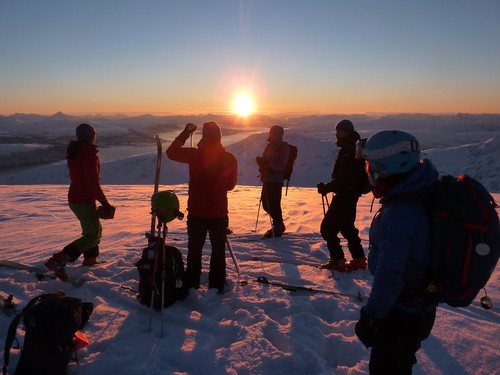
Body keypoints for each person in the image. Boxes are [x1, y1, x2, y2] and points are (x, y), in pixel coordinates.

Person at [354, 130, 438, 374]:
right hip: (421, 307)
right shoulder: (421, 193)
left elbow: (390, 275)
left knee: (387, 367)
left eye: (372, 166)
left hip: (401, 312)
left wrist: (372, 316)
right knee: (401, 362)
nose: (369, 172)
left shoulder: (401, 213)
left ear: (389, 166)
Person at [166, 121, 237, 295]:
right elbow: (230, 185)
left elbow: (170, 153)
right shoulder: (229, 159)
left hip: (197, 213)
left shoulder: (194, 155)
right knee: (218, 250)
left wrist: (185, 133)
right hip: (219, 213)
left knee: (195, 250)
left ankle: (191, 284)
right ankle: (216, 284)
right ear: (219, 137)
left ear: (203, 136)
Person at [45, 123, 114, 280]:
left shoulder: (76, 151)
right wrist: (105, 203)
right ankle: (58, 260)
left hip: (77, 197)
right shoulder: (88, 153)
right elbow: (91, 183)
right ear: (92, 136)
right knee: (92, 235)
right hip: (83, 198)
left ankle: (90, 260)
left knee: (95, 230)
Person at [317, 119, 368, 271]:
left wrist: (326, 188)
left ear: (345, 132)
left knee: (328, 229)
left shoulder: (348, 151)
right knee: (347, 228)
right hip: (352, 194)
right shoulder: (355, 148)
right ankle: (359, 260)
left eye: (338, 131)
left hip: (345, 195)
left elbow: (343, 179)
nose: (336, 134)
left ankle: (338, 261)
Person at [256, 125, 291, 238]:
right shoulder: (269, 146)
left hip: (276, 181)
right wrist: (262, 166)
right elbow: (265, 159)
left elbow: (281, 166)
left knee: (274, 205)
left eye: (275, 133)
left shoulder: (284, 147)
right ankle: (278, 225)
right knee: (266, 204)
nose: (273, 135)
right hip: (267, 179)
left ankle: (278, 226)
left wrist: (267, 165)